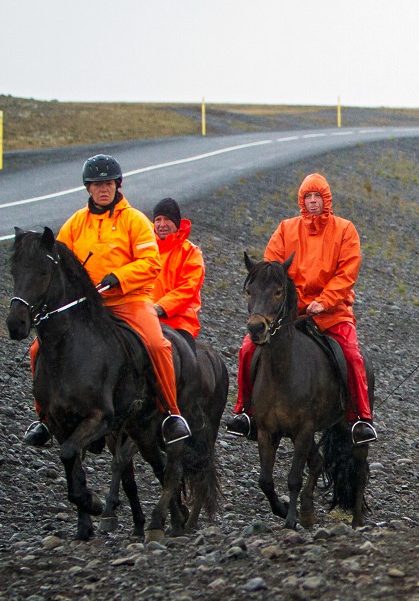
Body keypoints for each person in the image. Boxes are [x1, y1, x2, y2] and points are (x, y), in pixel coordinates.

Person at [23, 155, 191, 446]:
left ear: (117, 185)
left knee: (156, 343)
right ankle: (45, 420)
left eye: (109, 184)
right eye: (98, 185)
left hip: (130, 301)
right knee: (38, 346)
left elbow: (151, 262)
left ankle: (171, 414)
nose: (104, 189)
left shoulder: (135, 220)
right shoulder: (75, 224)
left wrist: (120, 276)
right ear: (88, 188)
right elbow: (60, 263)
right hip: (86, 307)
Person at [226, 173, 376, 445]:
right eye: (308, 197)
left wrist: (326, 300)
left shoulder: (345, 230)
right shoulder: (286, 229)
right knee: (247, 349)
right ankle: (244, 411)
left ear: (326, 199)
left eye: (318, 196)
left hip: (332, 313)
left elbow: (347, 272)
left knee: (353, 356)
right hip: (291, 314)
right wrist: (286, 303)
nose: (313, 201)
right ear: (301, 200)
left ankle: (360, 418)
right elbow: (272, 270)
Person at [149, 198, 204, 343]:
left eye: (167, 219)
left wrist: (160, 307)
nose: (162, 224)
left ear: (177, 222)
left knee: (186, 361)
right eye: (158, 219)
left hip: (179, 321)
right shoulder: (145, 249)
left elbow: (188, 287)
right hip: (144, 317)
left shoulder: (191, 252)